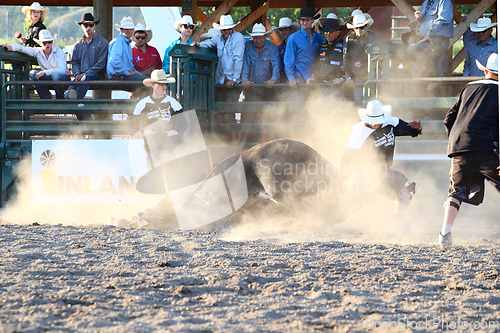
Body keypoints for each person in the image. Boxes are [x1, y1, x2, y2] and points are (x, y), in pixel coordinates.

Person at [438, 53, 499, 247]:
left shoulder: (470, 87)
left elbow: (449, 119)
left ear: (486, 70)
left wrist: (456, 143)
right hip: (486, 148)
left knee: (456, 191)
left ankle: (444, 233)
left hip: (459, 146)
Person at [341, 100, 421, 218]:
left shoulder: (390, 123)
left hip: (384, 173)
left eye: (378, 120)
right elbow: (348, 157)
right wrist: (343, 177)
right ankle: (329, 216)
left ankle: (399, 219)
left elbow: (409, 130)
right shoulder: (360, 131)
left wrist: (416, 129)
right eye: (372, 120)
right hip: (366, 174)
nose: (375, 124)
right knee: (353, 205)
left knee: (408, 189)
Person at [129, 69, 187, 162]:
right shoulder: (143, 104)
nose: (163, 87)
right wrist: (142, 133)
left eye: (165, 84)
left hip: (171, 145)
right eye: (160, 84)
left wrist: (176, 131)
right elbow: (132, 125)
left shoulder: (173, 103)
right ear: (153, 85)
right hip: (152, 146)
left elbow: (184, 123)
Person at [2, 29, 69, 99]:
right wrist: (11, 47)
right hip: (51, 80)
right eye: (44, 42)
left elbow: (62, 70)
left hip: (63, 79)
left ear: (52, 42)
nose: (47, 44)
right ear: (40, 43)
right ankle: (46, 100)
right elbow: (23, 48)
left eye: (50, 42)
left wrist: (44, 72)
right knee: (33, 74)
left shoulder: (58, 51)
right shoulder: (38, 51)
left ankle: (60, 100)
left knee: (56, 75)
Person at [199, 15, 245, 103]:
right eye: (224, 29)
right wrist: (199, 44)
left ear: (233, 28)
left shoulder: (238, 37)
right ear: (221, 30)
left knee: (229, 108)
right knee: (219, 108)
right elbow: (209, 43)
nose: (227, 31)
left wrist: (234, 79)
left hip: (232, 80)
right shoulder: (218, 38)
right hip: (220, 80)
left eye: (229, 29)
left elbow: (238, 59)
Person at [65, 13, 108, 106]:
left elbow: (101, 64)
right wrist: (77, 73)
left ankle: (76, 101)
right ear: (81, 26)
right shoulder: (78, 44)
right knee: (68, 92)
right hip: (81, 77)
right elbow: (75, 61)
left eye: (91, 25)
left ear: (94, 25)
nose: (88, 27)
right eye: (85, 25)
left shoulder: (102, 42)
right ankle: (75, 103)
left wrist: (85, 73)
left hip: (97, 75)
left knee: (85, 79)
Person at [406, 0, 453, 79]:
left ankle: (433, 75)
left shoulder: (445, 1)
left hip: (438, 40)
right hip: (428, 40)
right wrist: (419, 19)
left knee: (412, 49)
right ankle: (432, 75)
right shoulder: (426, 3)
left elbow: (443, 19)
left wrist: (429, 34)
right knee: (416, 53)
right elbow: (422, 23)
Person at [343, 11, 382, 101]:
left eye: (361, 27)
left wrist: (379, 76)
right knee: (358, 103)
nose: (359, 30)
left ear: (366, 26)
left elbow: (382, 58)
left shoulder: (376, 38)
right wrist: (348, 78)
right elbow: (346, 60)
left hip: (374, 78)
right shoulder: (349, 39)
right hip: (357, 78)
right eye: (356, 28)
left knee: (374, 103)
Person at [283, 7, 323, 87]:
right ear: (300, 21)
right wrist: (291, 78)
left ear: (312, 21)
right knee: (299, 99)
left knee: (316, 99)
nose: (304, 23)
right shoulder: (293, 38)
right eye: (302, 20)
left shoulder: (319, 38)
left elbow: (321, 58)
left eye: (307, 20)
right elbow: (288, 60)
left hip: (315, 78)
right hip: (298, 79)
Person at [107, 17, 148, 90]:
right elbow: (114, 61)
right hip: (119, 78)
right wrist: (127, 72)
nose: (129, 31)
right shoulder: (118, 42)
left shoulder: (125, 43)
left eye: (131, 29)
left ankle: (138, 100)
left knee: (148, 84)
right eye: (127, 29)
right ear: (121, 29)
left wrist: (136, 74)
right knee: (149, 84)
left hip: (122, 77)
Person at [241, 23, 280, 101]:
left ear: (265, 37)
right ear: (252, 37)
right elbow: (245, 64)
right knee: (249, 111)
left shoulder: (272, 48)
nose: (258, 40)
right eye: (255, 38)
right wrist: (244, 79)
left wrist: (273, 79)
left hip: (268, 88)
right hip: (251, 88)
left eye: (260, 38)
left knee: (268, 111)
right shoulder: (248, 46)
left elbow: (276, 65)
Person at [311, 17, 346, 99]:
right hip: (323, 86)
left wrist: (343, 78)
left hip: (338, 87)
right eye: (326, 32)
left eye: (331, 32)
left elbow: (349, 63)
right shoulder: (322, 47)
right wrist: (314, 77)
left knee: (335, 108)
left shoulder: (345, 45)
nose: (327, 34)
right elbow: (317, 66)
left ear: (337, 32)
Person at [272, 17, 300, 83]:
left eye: (285, 29)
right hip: (283, 81)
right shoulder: (279, 48)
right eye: (281, 30)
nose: (283, 32)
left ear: (291, 30)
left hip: (298, 81)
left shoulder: (299, 46)